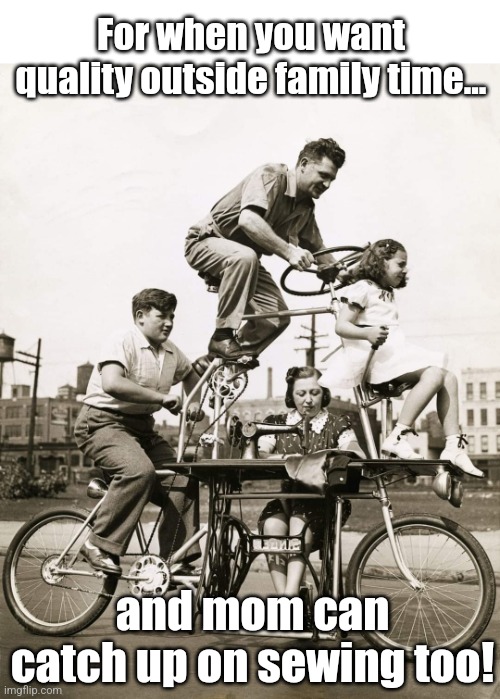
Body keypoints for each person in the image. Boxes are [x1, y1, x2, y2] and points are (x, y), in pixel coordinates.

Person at [321, 239, 484, 478]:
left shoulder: (384, 291)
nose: (404, 270)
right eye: (400, 264)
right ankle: (398, 435)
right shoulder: (363, 288)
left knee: (449, 377)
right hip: (375, 360)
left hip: (393, 354)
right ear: (381, 262)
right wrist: (367, 332)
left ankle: (453, 447)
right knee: (435, 373)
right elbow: (341, 326)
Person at [74, 288, 202, 576]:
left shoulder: (171, 351)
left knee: (182, 480)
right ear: (140, 317)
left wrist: (193, 403)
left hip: (141, 429)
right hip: (102, 422)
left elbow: (191, 375)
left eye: (172, 317)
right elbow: (112, 383)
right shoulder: (123, 340)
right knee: (138, 472)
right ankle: (98, 545)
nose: (168, 322)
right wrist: (160, 399)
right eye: (162, 316)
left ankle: (175, 559)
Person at [185, 138, 350, 361]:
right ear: (303, 164)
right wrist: (290, 252)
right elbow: (249, 220)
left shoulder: (305, 207)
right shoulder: (271, 175)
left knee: (276, 319)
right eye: (323, 175)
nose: (327, 184)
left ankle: (219, 365)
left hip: (244, 259)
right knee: (245, 257)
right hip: (207, 241)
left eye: (332, 179)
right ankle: (222, 336)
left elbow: (318, 248)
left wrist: (341, 271)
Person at [257, 366, 364, 596]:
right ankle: (284, 598)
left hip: (326, 503)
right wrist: (292, 458)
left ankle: (290, 596)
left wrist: (336, 452)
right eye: (301, 394)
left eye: (314, 393)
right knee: (271, 525)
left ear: (323, 393)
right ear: (291, 395)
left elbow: (354, 451)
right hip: (288, 500)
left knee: (299, 523)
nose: (308, 400)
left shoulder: (337, 424)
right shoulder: (277, 423)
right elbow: (262, 453)